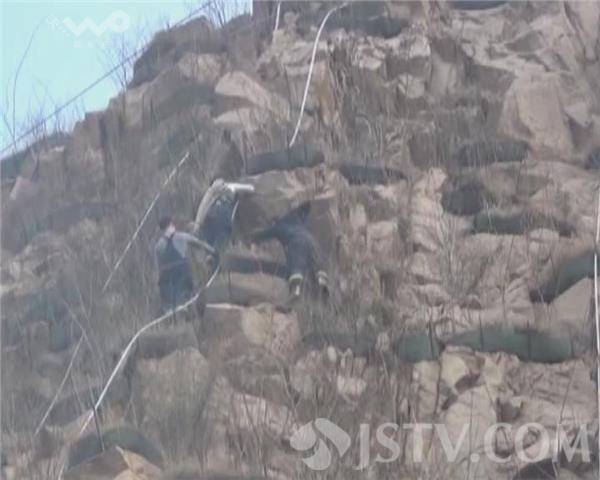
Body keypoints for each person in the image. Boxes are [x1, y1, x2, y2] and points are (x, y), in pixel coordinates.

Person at [251, 202, 329, 300]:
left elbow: (265, 233)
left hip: (297, 242)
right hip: (312, 240)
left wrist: (252, 238)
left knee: (296, 265)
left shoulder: (279, 226)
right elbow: (303, 211)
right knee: (316, 263)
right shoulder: (297, 220)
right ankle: (321, 282)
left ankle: (296, 291)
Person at [155, 216, 216, 315]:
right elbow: (200, 244)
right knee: (186, 290)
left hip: (166, 276)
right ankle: (187, 309)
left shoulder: (158, 246)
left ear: (161, 229)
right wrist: (213, 251)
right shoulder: (182, 236)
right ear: (171, 224)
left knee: (171, 299)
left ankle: (172, 311)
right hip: (182, 271)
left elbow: (158, 267)